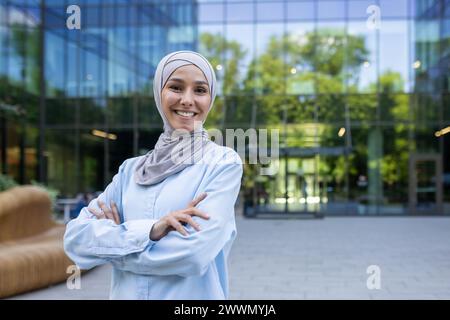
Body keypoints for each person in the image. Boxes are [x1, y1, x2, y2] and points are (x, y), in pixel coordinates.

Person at [64, 51, 243, 300]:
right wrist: (153, 230)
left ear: (210, 99)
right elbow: (75, 240)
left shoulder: (222, 162)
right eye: (176, 87)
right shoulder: (130, 170)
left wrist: (114, 247)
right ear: (159, 92)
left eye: (200, 90)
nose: (188, 100)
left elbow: (192, 256)